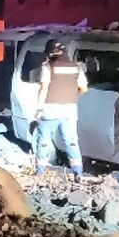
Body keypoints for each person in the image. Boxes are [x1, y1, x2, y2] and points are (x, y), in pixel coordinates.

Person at [34, 38, 88, 177]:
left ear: (50, 53)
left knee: (44, 141)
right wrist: (71, 97)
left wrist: (39, 109)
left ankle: (40, 172)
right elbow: (83, 88)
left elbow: (44, 88)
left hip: (49, 110)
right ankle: (78, 173)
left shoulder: (47, 67)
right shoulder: (76, 67)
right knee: (71, 142)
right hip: (69, 111)